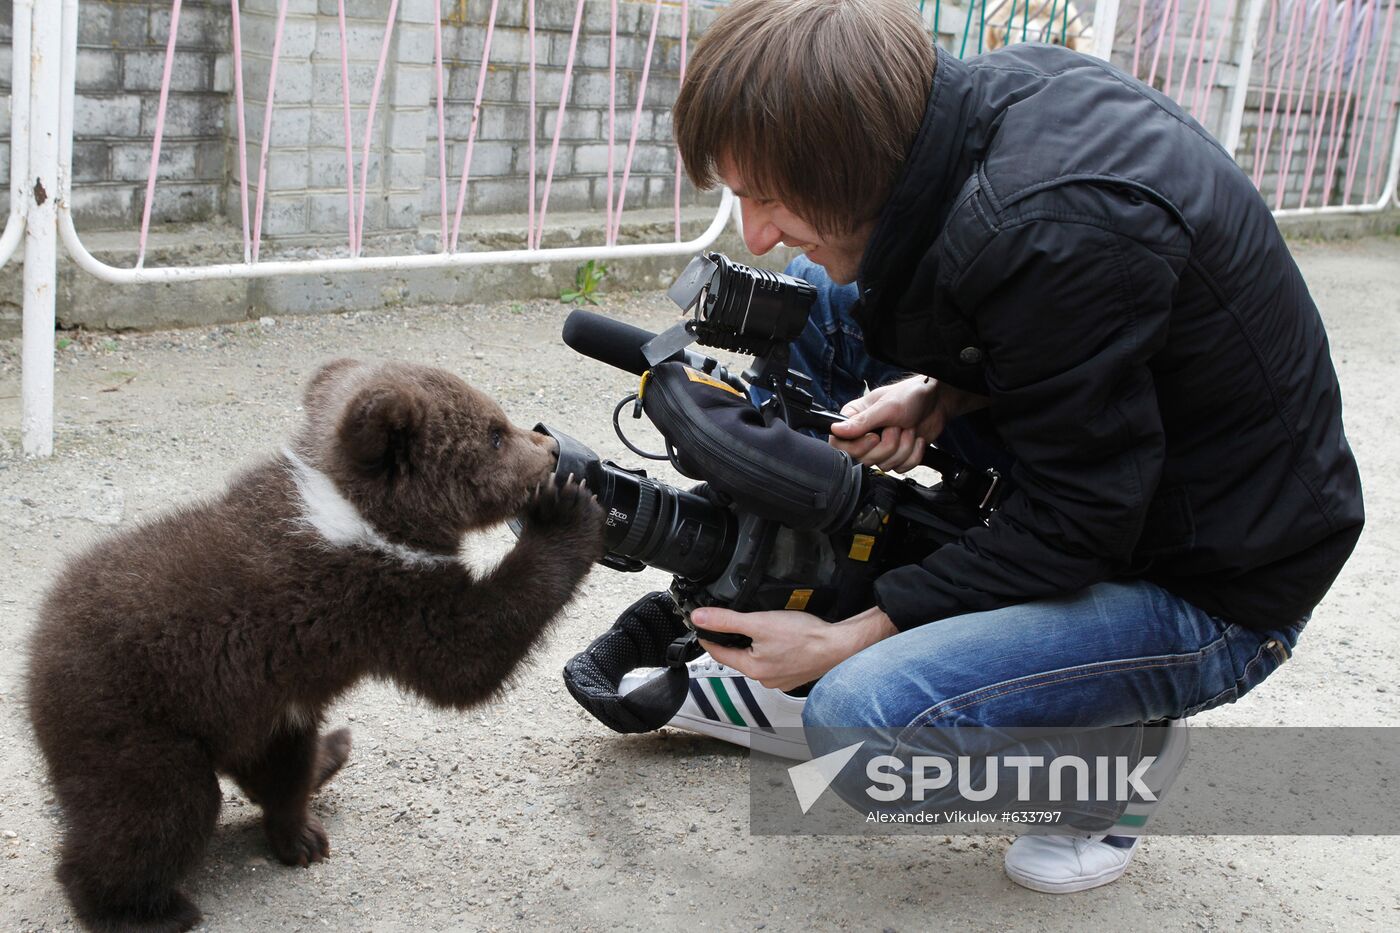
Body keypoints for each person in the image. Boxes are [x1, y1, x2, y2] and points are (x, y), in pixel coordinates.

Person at [620, 0, 1364, 893]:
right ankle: (794, 596)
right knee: (813, 298)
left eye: (765, 195)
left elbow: (1085, 515)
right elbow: (1100, 349)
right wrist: (943, 389)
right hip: (1130, 467)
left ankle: (1112, 759)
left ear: (853, 161)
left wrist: (854, 641)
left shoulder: (1049, 229)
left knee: (860, 730)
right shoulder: (966, 128)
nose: (754, 231)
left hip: (1213, 580)